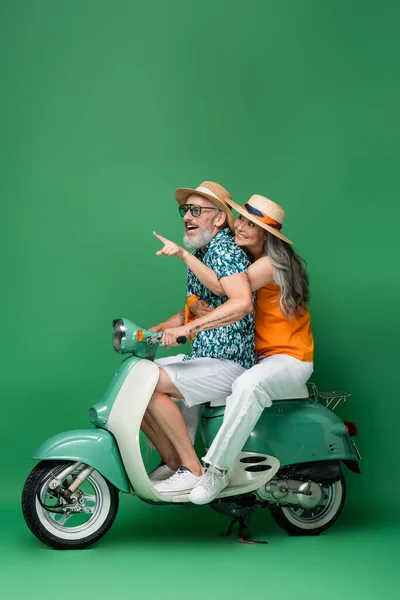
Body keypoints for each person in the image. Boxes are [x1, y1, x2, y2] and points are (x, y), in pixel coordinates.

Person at [153, 194, 314, 503]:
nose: (238, 226)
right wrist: (166, 324)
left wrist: (187, 258)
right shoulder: (246, 258)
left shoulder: (268, 265)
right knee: (178, 380)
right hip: (261, 357)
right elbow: (217, 297)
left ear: (266, 234)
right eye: (239, 218)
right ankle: (183, 465)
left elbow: (224, 291)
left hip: (290, 357)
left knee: (247, 385)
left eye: (250, 224)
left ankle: (216, 471)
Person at [142, 181, 256, 494]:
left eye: (196, 210)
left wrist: (187, 329)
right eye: (185, 210)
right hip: (203, 357)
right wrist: (151, 332)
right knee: (134, 383)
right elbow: (192, 312)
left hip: (229, 361)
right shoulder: (201, 252)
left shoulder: (226, 249)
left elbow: (239, 300)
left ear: (219, 218)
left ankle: (192, 469)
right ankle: (173, 462)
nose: (187, 217)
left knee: (148, 384)